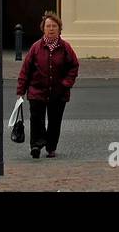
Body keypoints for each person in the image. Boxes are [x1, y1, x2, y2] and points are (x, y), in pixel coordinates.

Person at [16, 11, 80, 159]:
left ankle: (51, 147)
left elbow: (74, 66)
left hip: (58, 92)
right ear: (43, 29)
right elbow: (26, 70)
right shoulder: (36, 48)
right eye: (48, 26)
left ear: (59, 29)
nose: (51, 29)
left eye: (54, 26)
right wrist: (21, 90)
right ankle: (36, 145)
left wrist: (66, 83)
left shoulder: (65, 48)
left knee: (54, 121)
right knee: (36, 119)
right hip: (37, 90)